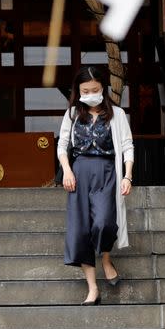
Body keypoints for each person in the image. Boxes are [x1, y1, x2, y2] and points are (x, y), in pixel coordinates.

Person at [57, 65, 134, 305]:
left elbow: (127, 146)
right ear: (78, 91)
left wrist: (127, 176)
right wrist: (67, 170)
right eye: (85, 90)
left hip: (107, 171)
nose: (90, 94)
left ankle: (106, 258)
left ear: (103, 88)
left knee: (104, 222)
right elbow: (62, 145)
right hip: (79, 172)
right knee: (81, 230)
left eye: (95, 89)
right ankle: (92, 289)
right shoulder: (71, 114)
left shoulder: (117, 115)